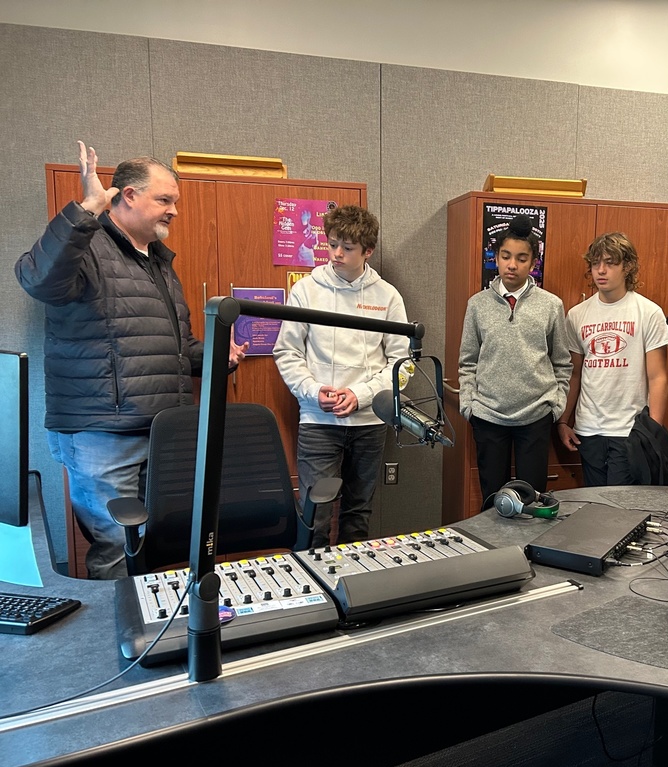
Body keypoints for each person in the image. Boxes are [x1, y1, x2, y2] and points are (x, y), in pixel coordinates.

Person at [15, 141, 247, 579]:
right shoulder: (88, 246)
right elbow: (36, 279)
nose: (174, 211)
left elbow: (172, 349)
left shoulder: (158, 262)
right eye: (165, 200)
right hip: (102, 433)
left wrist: (219, 357)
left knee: (154, 543)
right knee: (116, 548)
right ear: (127, 195)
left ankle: (152, 637)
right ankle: (123, 644)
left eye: (174, 201)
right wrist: (86, 208)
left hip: (161, 431)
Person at [274, 204, 408, 547]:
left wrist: (361, 395)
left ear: (368, 251)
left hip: (369, 423)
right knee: (314, 515)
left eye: (347, 248)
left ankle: (350, 587)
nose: (336, 253)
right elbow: (286, 351)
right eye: (332, 244)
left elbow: (402, 363)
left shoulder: (387, 296)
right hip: (319, 421)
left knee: (358, 513)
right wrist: (313, 390)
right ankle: (311, 591)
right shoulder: (306, 290)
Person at [458, 215, 573, 507]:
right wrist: (469, 404)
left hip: (535, 415)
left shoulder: (551, 305)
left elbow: (562, 362)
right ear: (496, 258)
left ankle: (528, 554)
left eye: (521, 258)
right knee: (493, 499)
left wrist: (556, 405)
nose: (512, 265)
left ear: (533, 262)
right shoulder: (477, 305)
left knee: (533, 500)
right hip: (488, 415)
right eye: (506, 256)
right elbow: (467, 361)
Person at [558, 232, 668, 486]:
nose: (601, 270)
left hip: (629, 430)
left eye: (610, 263)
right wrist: (564, 420)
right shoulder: (577, 315)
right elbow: (574, 373)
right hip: (588, 429)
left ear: (627, 266)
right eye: (596, 263)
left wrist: (653, 432)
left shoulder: (648, 312)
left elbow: (658, 377)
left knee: (621, 511)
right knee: (595, 507)